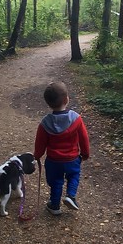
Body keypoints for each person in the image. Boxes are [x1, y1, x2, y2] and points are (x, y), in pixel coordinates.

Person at [33, 82, 90, 215]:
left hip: (53, 161)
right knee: (74, 175)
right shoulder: (76, 119)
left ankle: (55, 206)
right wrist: (85, 153)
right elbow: (84, 138)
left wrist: (37, 155)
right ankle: (70, 195)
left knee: (56, 182)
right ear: (66, 100)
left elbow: (40, 144)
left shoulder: (45, 123)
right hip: (72, 159)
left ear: (48, 103)